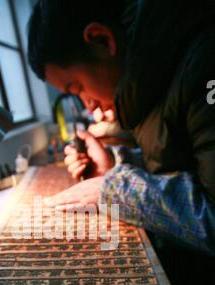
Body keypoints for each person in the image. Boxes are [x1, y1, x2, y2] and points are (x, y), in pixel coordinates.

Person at [27, 0, 215, 255]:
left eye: (78, 87)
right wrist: (113, 164)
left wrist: (115, 189)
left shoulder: (204, 64)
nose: (89, 106)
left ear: (102, 40)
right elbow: (180, 160)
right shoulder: (145, 82)